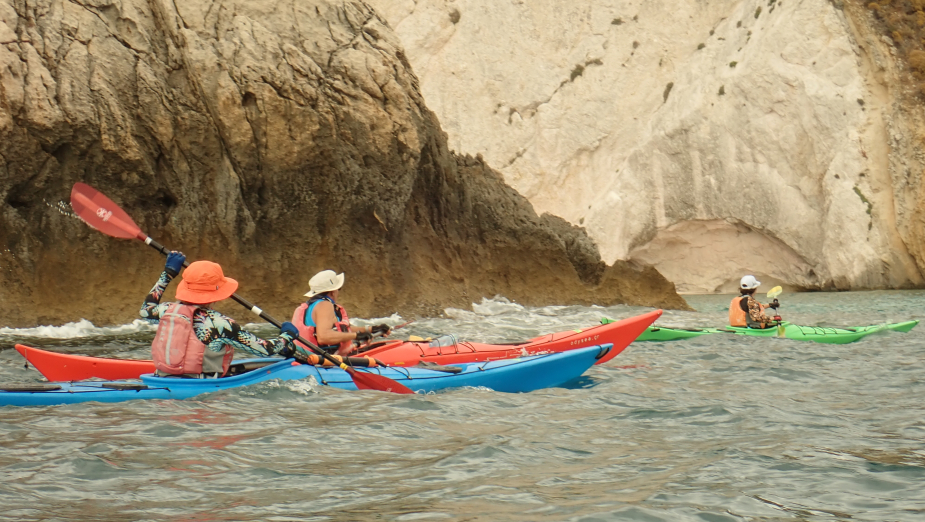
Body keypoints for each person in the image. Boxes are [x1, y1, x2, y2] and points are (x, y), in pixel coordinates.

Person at [140, 252, 300, 377]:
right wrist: (287, 336)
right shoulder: (221, 324)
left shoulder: (166, 310)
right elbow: (266, 350)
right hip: (204, 394)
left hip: (161, 378)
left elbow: (145, 309)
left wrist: (168, 274)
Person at [290, 270, 391, 356]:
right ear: (333, 292)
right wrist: (356, 336)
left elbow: (341, 329)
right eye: (339, 289)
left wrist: (371, 329)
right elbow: (323, 337)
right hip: (324, 361)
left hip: (313, 358)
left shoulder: (313, 305)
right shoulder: (325, 305)